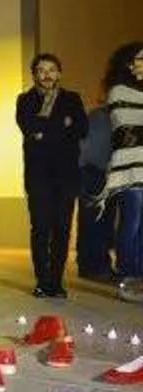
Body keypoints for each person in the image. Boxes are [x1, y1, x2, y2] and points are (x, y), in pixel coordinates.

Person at [15, 53, 88, 298]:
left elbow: (82, 129)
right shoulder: (25, 100)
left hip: (67, 175)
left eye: (51, 70)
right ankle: (42, 281)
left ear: (59, 73)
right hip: (38, 175)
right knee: (40, 227)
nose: (46, 74)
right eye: (41, 70)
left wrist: (44, 130)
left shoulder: (72, 99)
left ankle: (56, 281)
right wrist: (62, 125)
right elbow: (29, 128)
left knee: (62, 228)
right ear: (34, 74)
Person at [99, 42, 143, 289]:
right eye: (141, 58)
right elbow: (127, 131)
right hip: (129, 167)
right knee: (131, 222)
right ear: (129, 64)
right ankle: (127, 274)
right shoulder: (118, 91)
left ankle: (140, 274)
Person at [76, 103, 116, 281]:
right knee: (96, 221)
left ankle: (92, 265)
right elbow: (88, 149)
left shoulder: (101, 115)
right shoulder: (101, 116)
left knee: (97, 221)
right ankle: (94, 266)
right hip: (94, 172)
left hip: (98, 171)